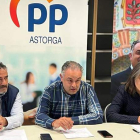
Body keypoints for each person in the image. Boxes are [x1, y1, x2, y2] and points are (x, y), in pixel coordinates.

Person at [35, 61, 103, 130]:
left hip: (81, 133)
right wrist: (54, 122)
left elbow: (98, 116)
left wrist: (70, 120)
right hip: (57, 133)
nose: (74, 85)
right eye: (70, 80)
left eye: (77, 80)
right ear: (61, 77)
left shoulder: (87, 89)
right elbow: (39, 116)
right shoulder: (50, 91)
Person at [0, 62, 23, 130]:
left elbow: (19, 117)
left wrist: (5, 121)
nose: (4, 83)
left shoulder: (13, 92)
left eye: (6, 78)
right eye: (0, 79)